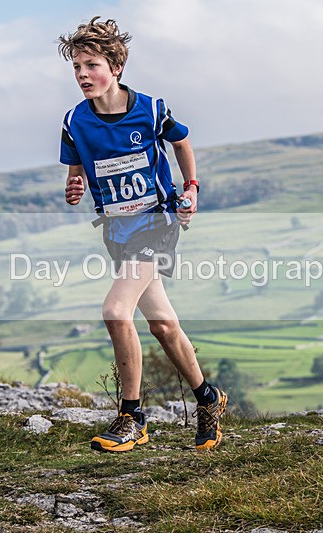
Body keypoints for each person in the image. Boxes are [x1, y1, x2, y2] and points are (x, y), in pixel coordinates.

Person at [57, 16, 227, 452]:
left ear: (114, 66)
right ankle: (208, 398)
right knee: (165, 327)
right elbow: (77, 174)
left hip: (158, 222)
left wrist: (190, 188)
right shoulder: (75, 121)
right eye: (76, 68)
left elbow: (182, 143)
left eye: (90, 65)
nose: (81, 75)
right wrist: (74, 187)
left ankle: (132, 417)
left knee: (116, 310)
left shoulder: (150, 108)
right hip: (117, 232)